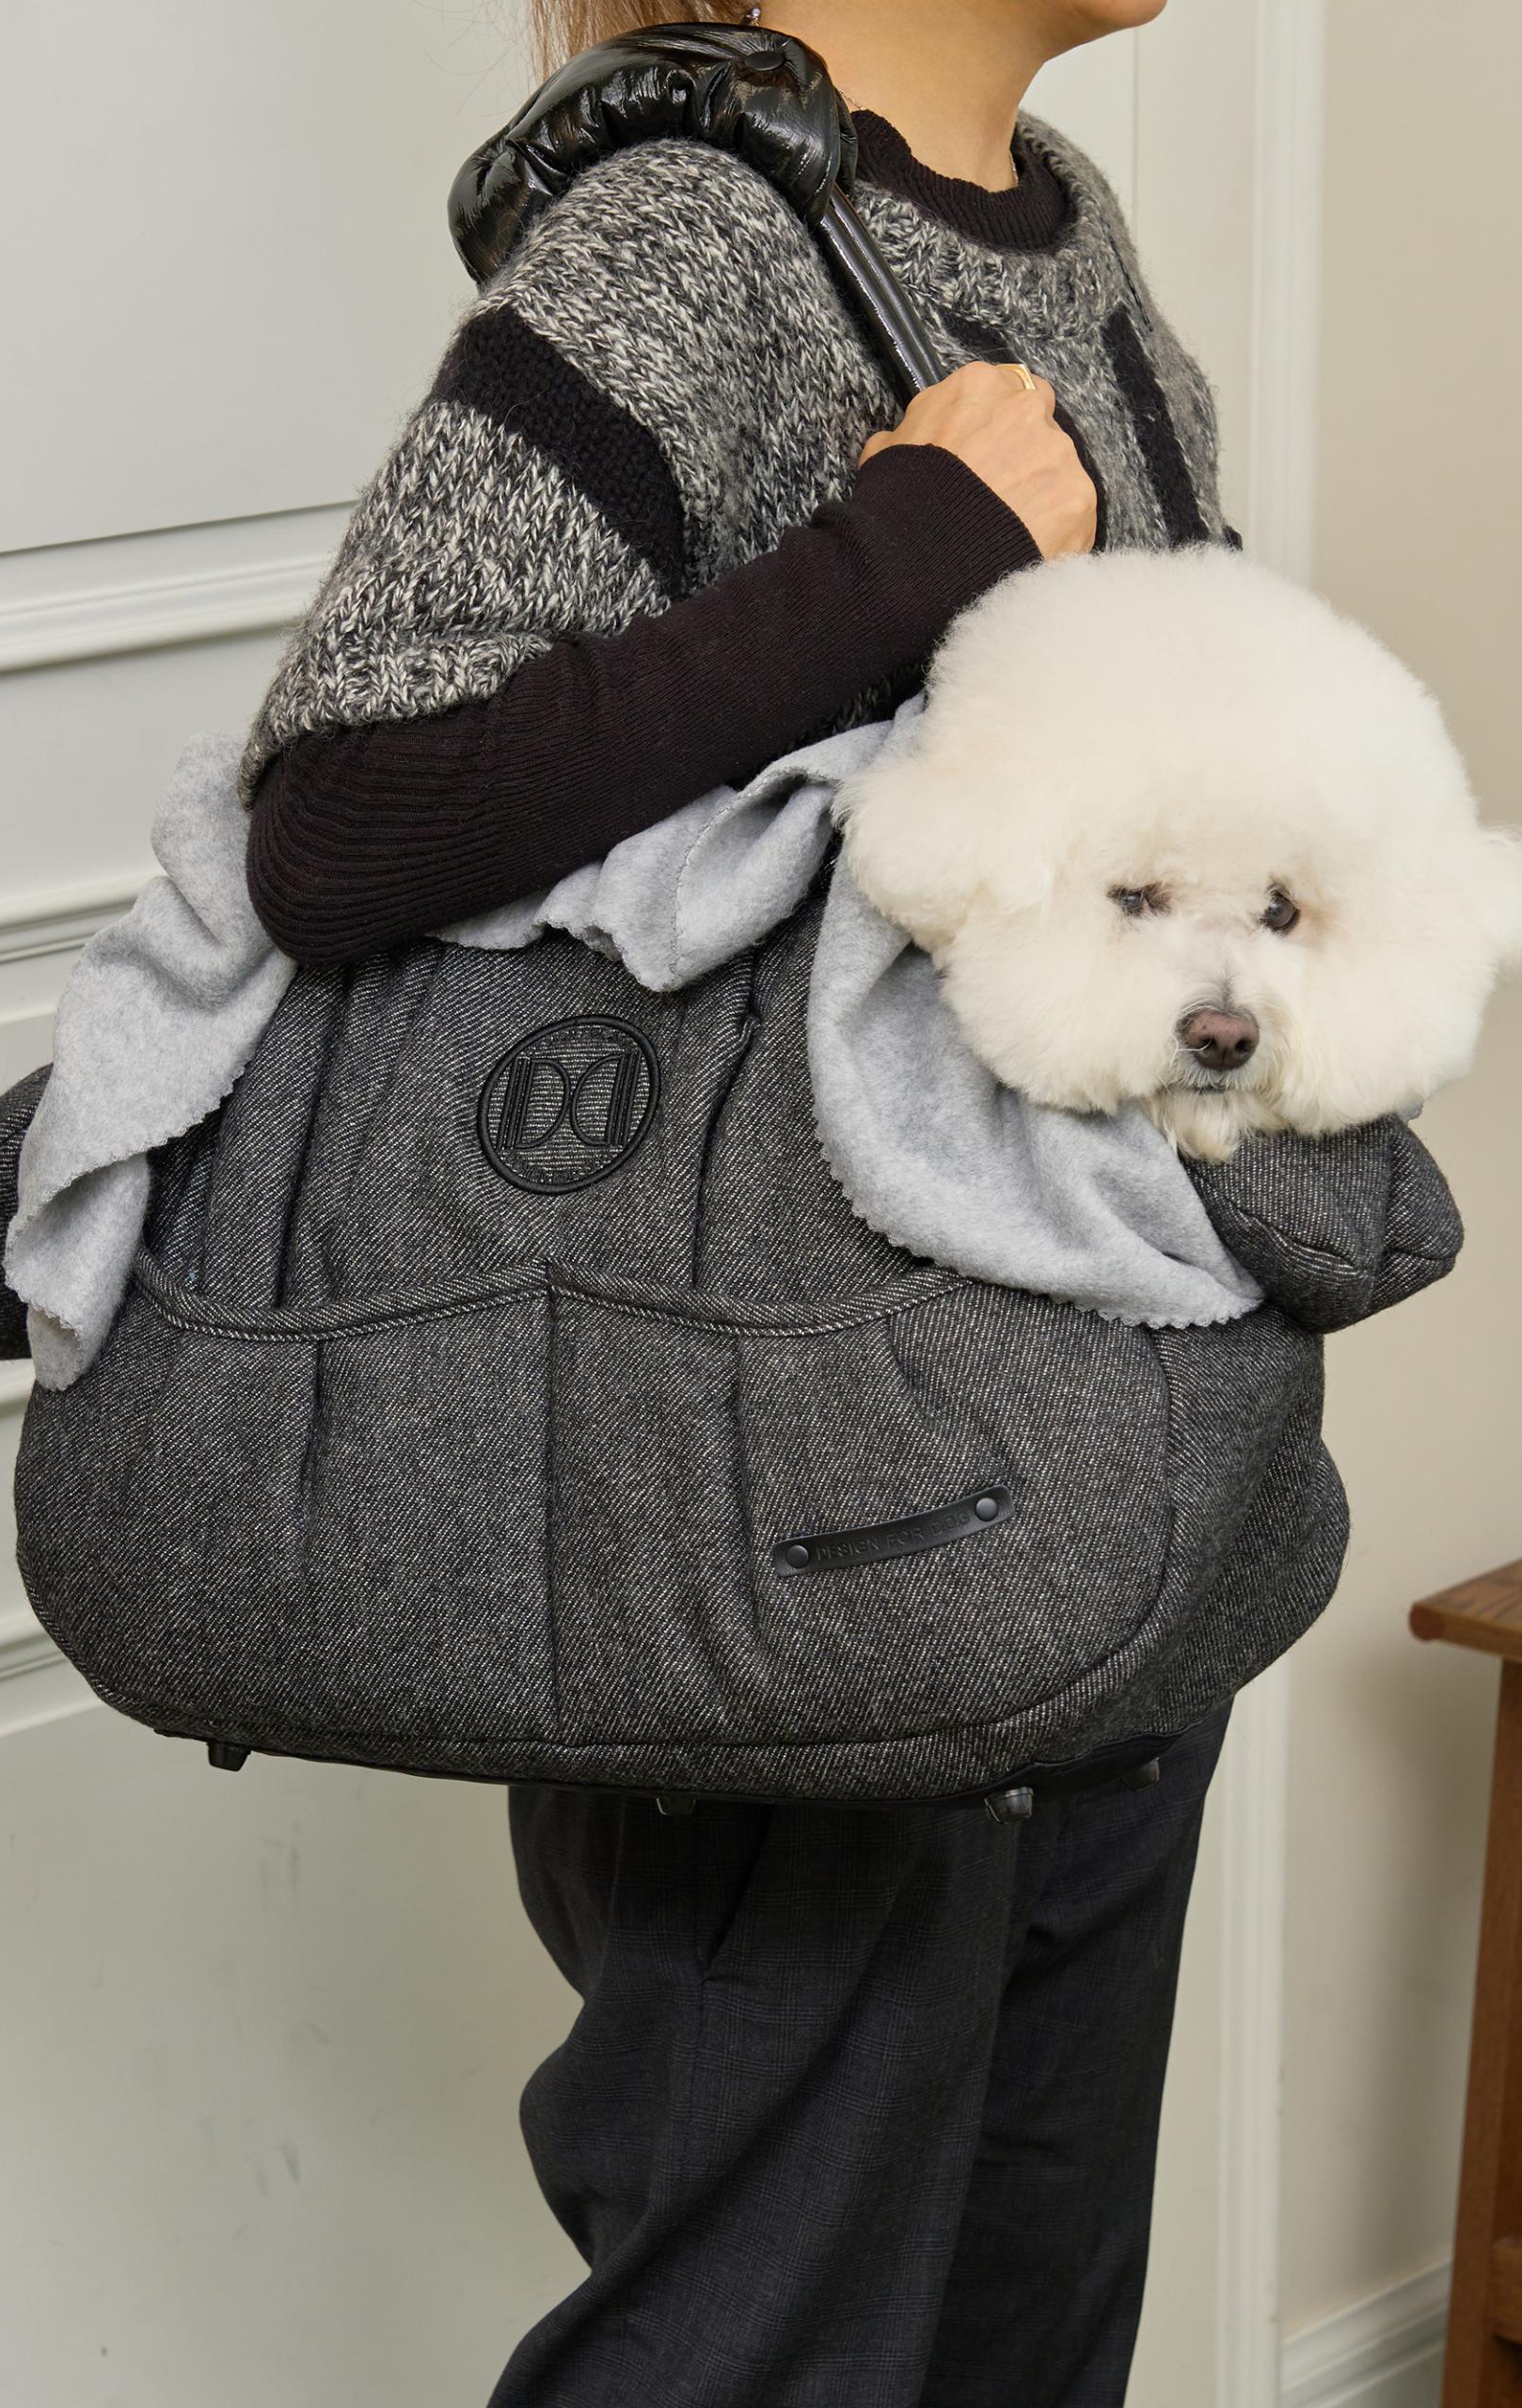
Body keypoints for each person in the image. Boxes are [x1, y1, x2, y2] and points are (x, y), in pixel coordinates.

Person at [238, 1, 1230, 2399]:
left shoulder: (1078, 237)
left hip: (1092, 1513)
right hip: (777, 1533)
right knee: (753, 2342)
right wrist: (892, 562)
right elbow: (344, 817)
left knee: (1020, 2329)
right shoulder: (684, 238)